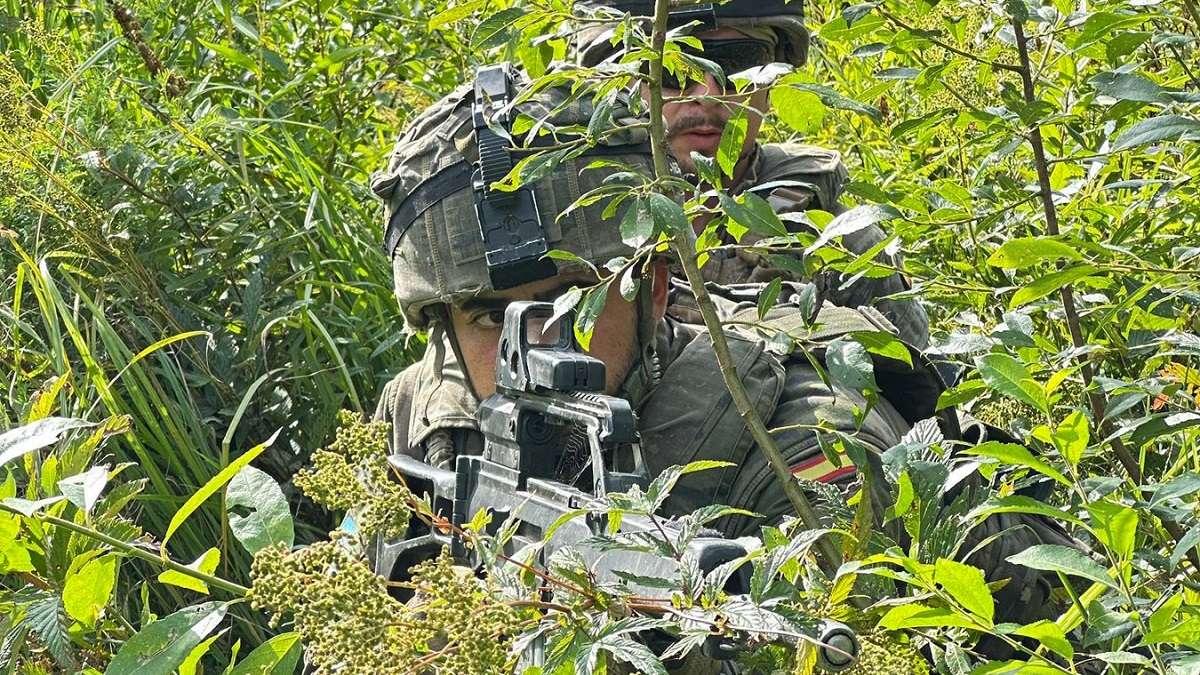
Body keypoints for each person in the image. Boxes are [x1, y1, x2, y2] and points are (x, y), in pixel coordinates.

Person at [577, 0, 930, 348]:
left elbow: (916, 379)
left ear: (771, 85)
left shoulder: (840, 245)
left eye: (737, 66)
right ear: (612, 87)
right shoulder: (571, 233)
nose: (709, 96)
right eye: (672, 70)